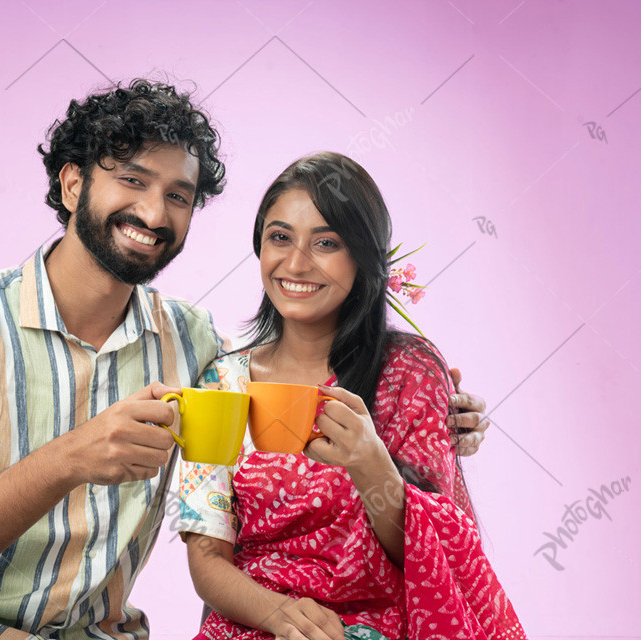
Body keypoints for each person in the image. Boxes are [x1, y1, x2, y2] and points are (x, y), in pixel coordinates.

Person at [0, 80, 491, 639]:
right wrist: (70, 458)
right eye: (132, 180)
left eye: (179, 195)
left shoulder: (193, 347)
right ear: (74, 183)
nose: (154, 213)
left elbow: (295, 372)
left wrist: (442, 417)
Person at [179, 153, 525, 640]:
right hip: (255, 623)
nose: (296, 263)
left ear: (361, 257)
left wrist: (370, 464)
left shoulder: (407, 374)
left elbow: (436, 556)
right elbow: (207, 558)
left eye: (326, 242)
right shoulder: (220, 384)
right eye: (280, 237)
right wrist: (281, 616)